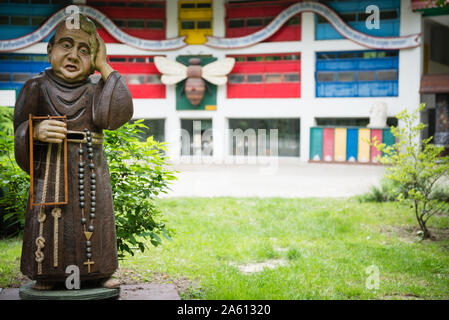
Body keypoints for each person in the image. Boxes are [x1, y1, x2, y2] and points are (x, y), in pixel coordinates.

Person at [13, 14, 133, 290]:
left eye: (84, 50)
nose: (74, 56)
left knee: (95, 220)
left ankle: (99, 272)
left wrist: (104, 67)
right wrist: (33, 132)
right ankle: (46, 274)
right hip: (51, 171)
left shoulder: (96, 90)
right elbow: (20, 127)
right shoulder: (36, 87)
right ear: (50, 49)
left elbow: (116, 116)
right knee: (51, 225)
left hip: (91, 170)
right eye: (65, 45)